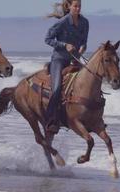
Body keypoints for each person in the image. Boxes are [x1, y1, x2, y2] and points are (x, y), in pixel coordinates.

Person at [45, 0, 89, 132]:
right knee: (57, 87)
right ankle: (51, 119)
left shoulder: (85, 22)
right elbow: (47, 39)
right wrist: (65, 45)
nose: (78, 9)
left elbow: (84, 42)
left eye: (79, 6)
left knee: (90, 83)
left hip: (75, 60)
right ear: (69, 6)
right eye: (75, 6)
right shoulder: (63, 22)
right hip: (59, 59)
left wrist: (82, 49)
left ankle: (91, 118)